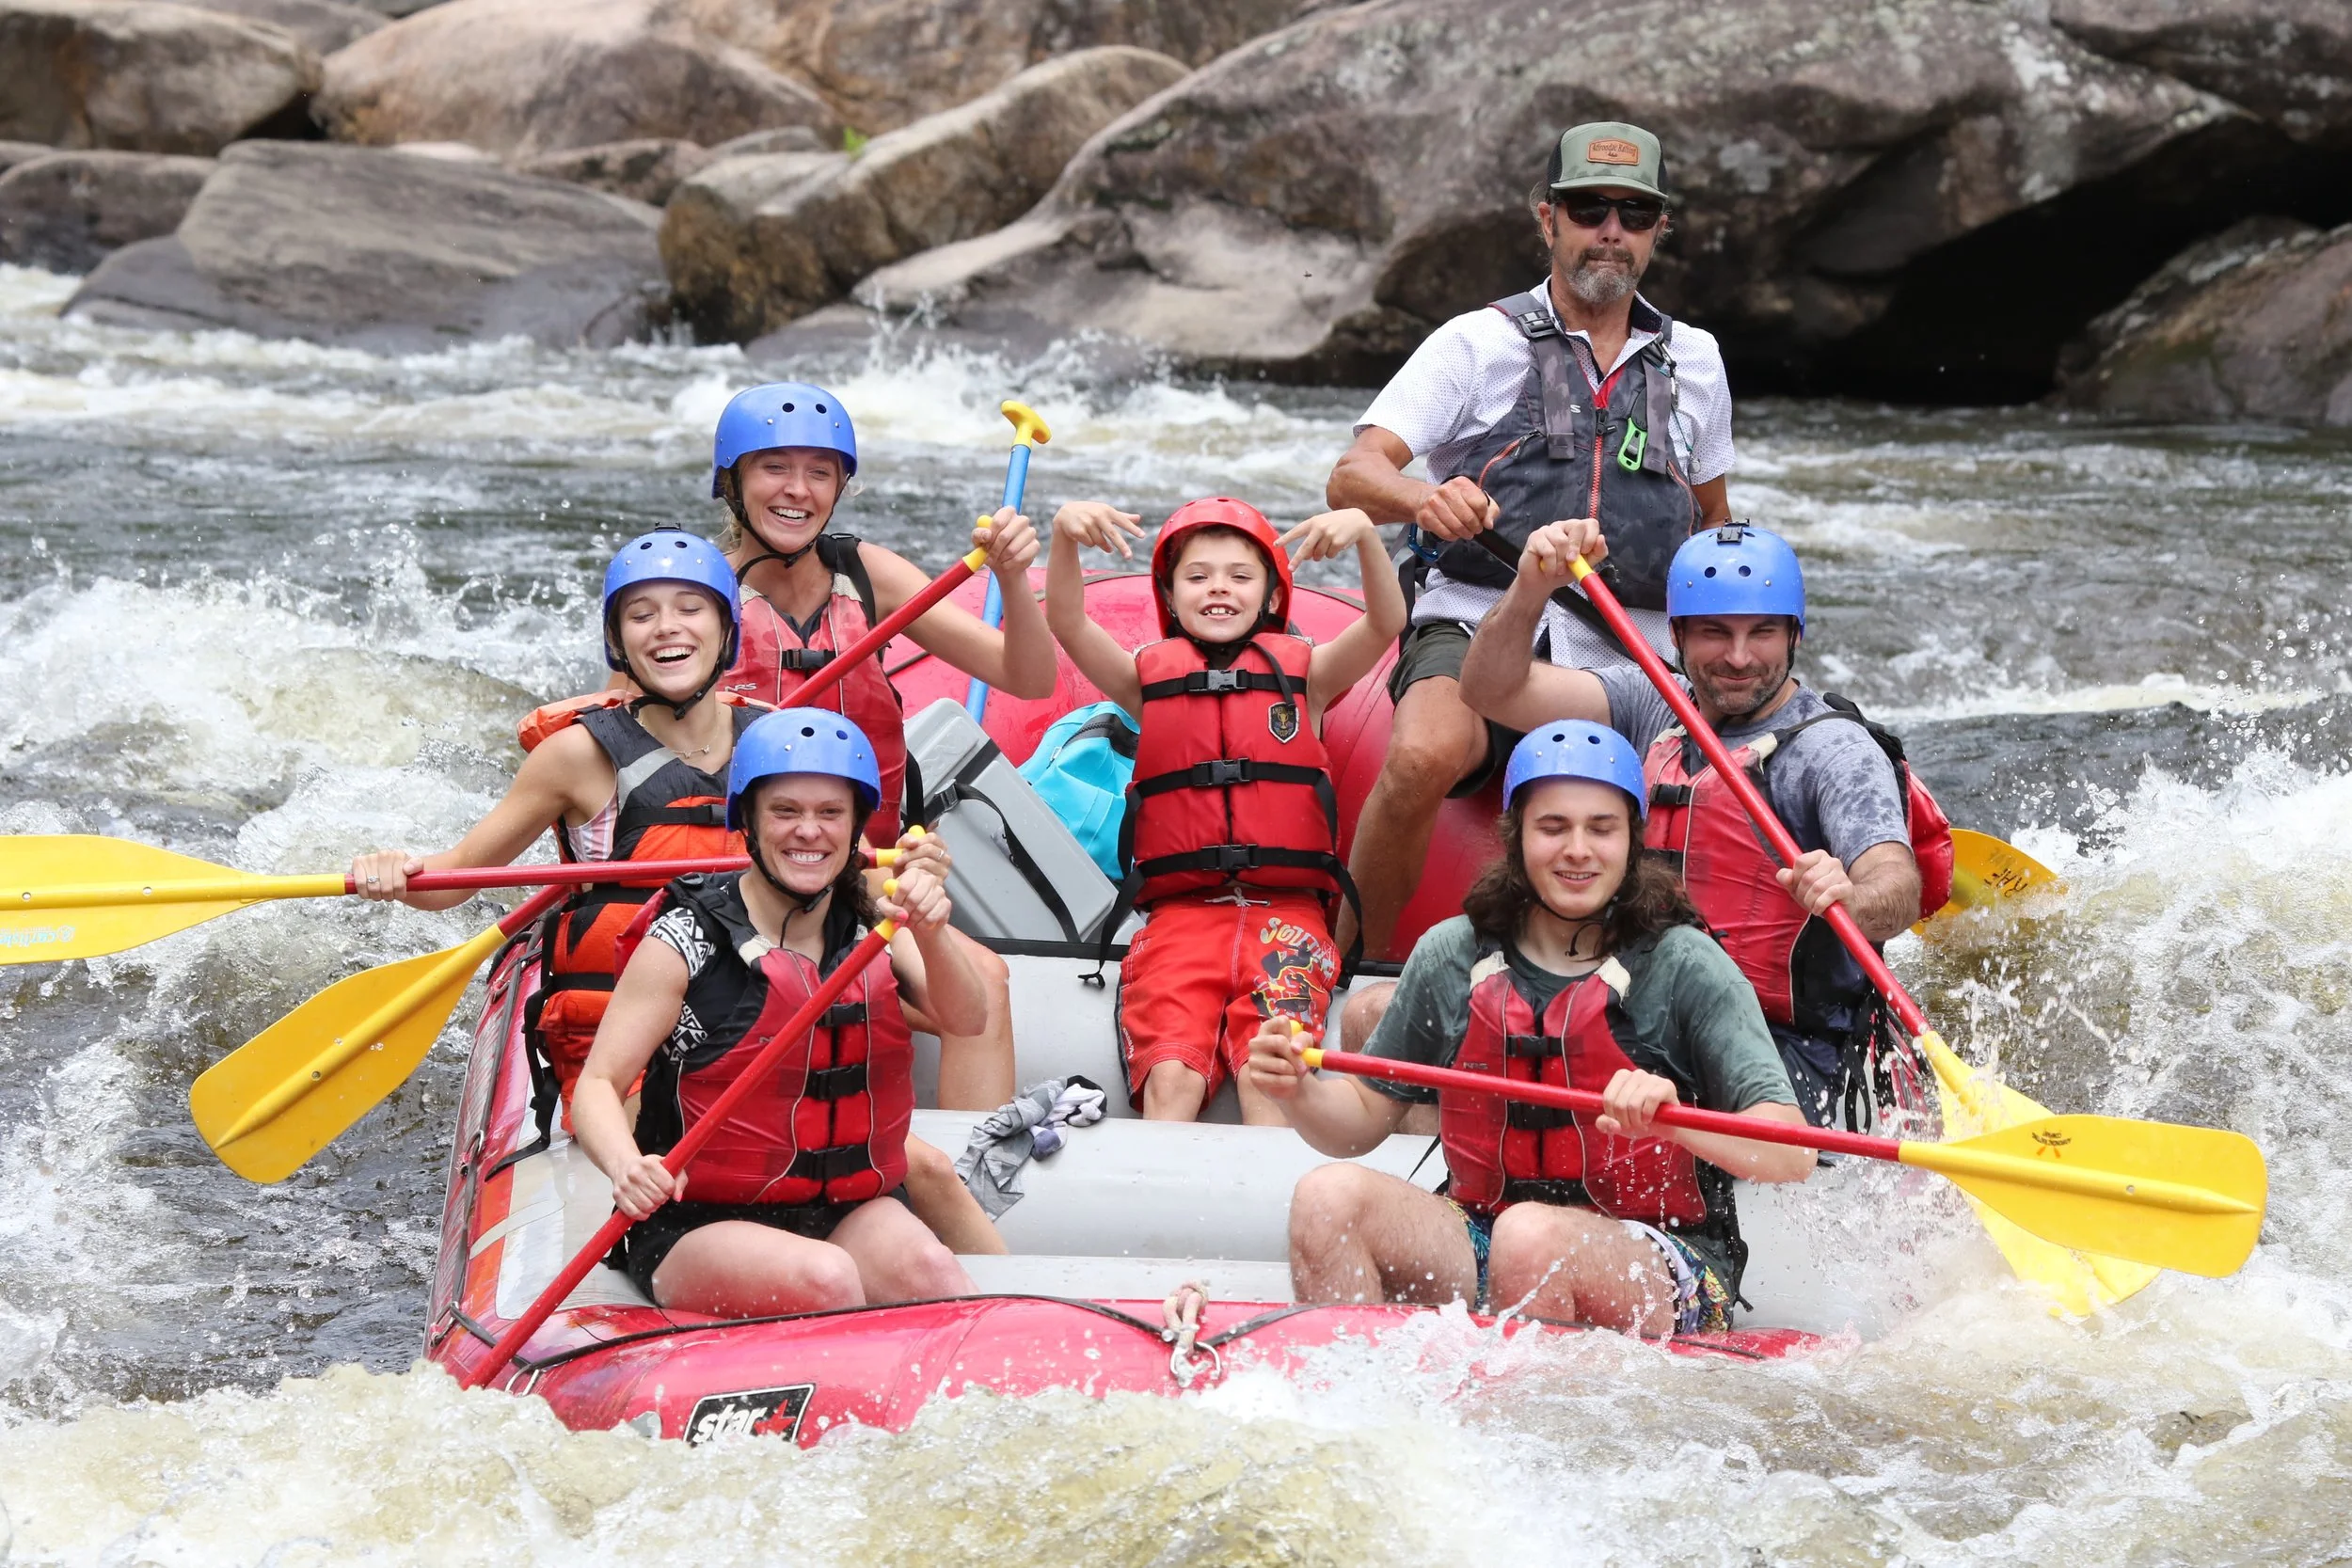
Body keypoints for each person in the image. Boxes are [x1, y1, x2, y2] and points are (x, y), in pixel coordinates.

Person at [350, 534, 1003, 1255]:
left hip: (755, 1015)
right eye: (641, 614)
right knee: (713, 1156)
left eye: (690, 608)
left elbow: (843, 873)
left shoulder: (772, 744)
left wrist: (909, 872)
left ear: (727, 630)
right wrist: (397, 873)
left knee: (931, 1167)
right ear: (616, 640)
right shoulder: (575, 755)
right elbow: (455, 876)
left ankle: (1010, 1321)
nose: (667, 627)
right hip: (634, 1042)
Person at [1323, 121, 1736, 959]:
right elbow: (1353, 475)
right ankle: (1350, 964)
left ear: (1660, 231)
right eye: (1589, 209)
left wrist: (1734, 657)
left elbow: (1715, 524)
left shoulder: (1696, 362)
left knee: (1721, 795)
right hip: (1480, 617)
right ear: (1547, 219)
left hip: (1636, 653)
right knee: (1422, 753)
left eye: (1633, 212)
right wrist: (1425, 496)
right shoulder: (1475, 343)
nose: (1610, 230)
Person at [1245, 724, 1811, 1335]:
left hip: (1663, 1260)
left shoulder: (1685, 965)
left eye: (1601, 827)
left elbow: (1791, 1150)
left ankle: (1524, 1420)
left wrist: (1676, 1119)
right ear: (1516, 836)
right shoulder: (1452, 954)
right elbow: (1359, 1117)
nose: (1577, 849)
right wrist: (1299, 1089)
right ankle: (1358, 1406)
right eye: (1553, 827)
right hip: (1485, 1232)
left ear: (1631, 840)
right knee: (1326, 1198)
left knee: (1532, 1236)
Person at [1456, 519, 1936, 1127]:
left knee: (1561, 1072)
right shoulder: (1655, 701)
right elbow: (1489, 690)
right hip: (1642, 1013)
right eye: (1714, 632)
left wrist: (1851, 898)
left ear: (1794, 633)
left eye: (1761, 632)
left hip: (1780, 1053)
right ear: (1678, 633)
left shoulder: (1833, 750)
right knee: (1396, 1016)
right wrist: (1530, 589)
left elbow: (1897, 886)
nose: (1739, 657)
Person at [705, 381, 1059, 1111]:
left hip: (864, 877)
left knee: (984, 984)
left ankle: (971, 1197)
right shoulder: (693, 597)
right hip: (727, 879)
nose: (797, 490)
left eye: (820, 471)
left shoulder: (867, 575)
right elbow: (630, 748)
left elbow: (1027, 675)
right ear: (733, 480)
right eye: (774, 466)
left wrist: (1016, 580)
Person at [571, 709, 981, 1316]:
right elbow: (598, 1085)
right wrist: (627, 1166)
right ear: (748, 822)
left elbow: (965, 1019)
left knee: (931, 1272)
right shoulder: (684, 939)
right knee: (825, 1279)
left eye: (830, 814)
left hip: (842, 1206)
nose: (808, 832)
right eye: (785, 812)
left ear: (856, 827)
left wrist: (935, 929)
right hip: (698, 1220)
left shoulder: (875, 923)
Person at [1045, 498, 1406, 1123]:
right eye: (1198, 576)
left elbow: (1384, 624)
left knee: (1272, 1085)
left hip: (1288, 922)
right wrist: (1064, 538)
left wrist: (1367, 540)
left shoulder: (1311, 677)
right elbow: (1070, 622)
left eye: (1240, 576)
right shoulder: (1143, 678)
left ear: (1271, 597)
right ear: (1169, 594)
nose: (1218, 588)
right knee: (1171, 1081)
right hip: (1180, 919)